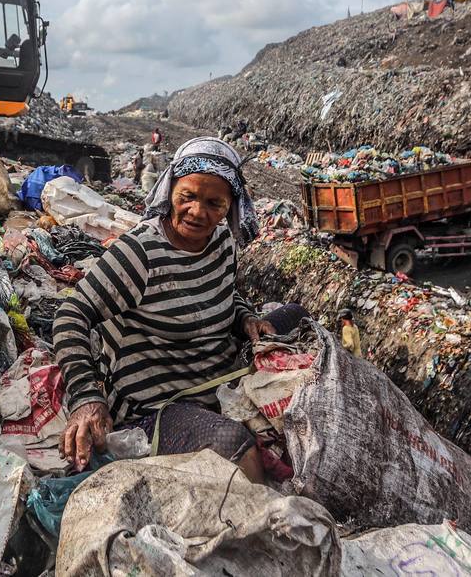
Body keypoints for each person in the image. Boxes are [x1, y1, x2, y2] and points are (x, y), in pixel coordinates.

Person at [53, 137, 309, 483]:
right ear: (170, 189)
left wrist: (246, 316)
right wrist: (86, 397)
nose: (198, 212)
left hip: (220, 376)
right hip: (160, 404)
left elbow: (223, 293)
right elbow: (72, 314)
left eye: (214, 203)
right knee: (236, 447)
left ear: (230, 206)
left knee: (296, 315)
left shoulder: (223, 243)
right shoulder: (140, 254)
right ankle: (261, 520)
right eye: (187, 196)